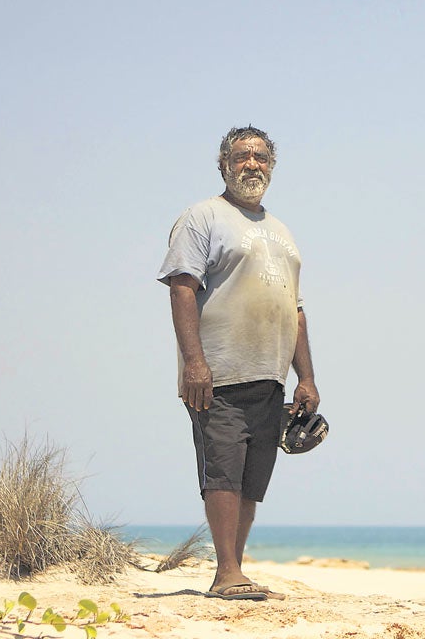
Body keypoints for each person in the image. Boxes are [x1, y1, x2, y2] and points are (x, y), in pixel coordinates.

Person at [157, 126, 320, 600]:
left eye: (262, 156)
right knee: (223, 470)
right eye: (242, 155)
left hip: (269, 374)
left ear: (272, 166)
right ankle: (225, 572)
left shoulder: (282, 231)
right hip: (219, 372)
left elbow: (295, 309)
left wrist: (305, 377)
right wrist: (194, 363)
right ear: (223, 164)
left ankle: (237, 568)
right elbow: (182, 286)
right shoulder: (202, 217)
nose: (252, 163)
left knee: (253, 474)